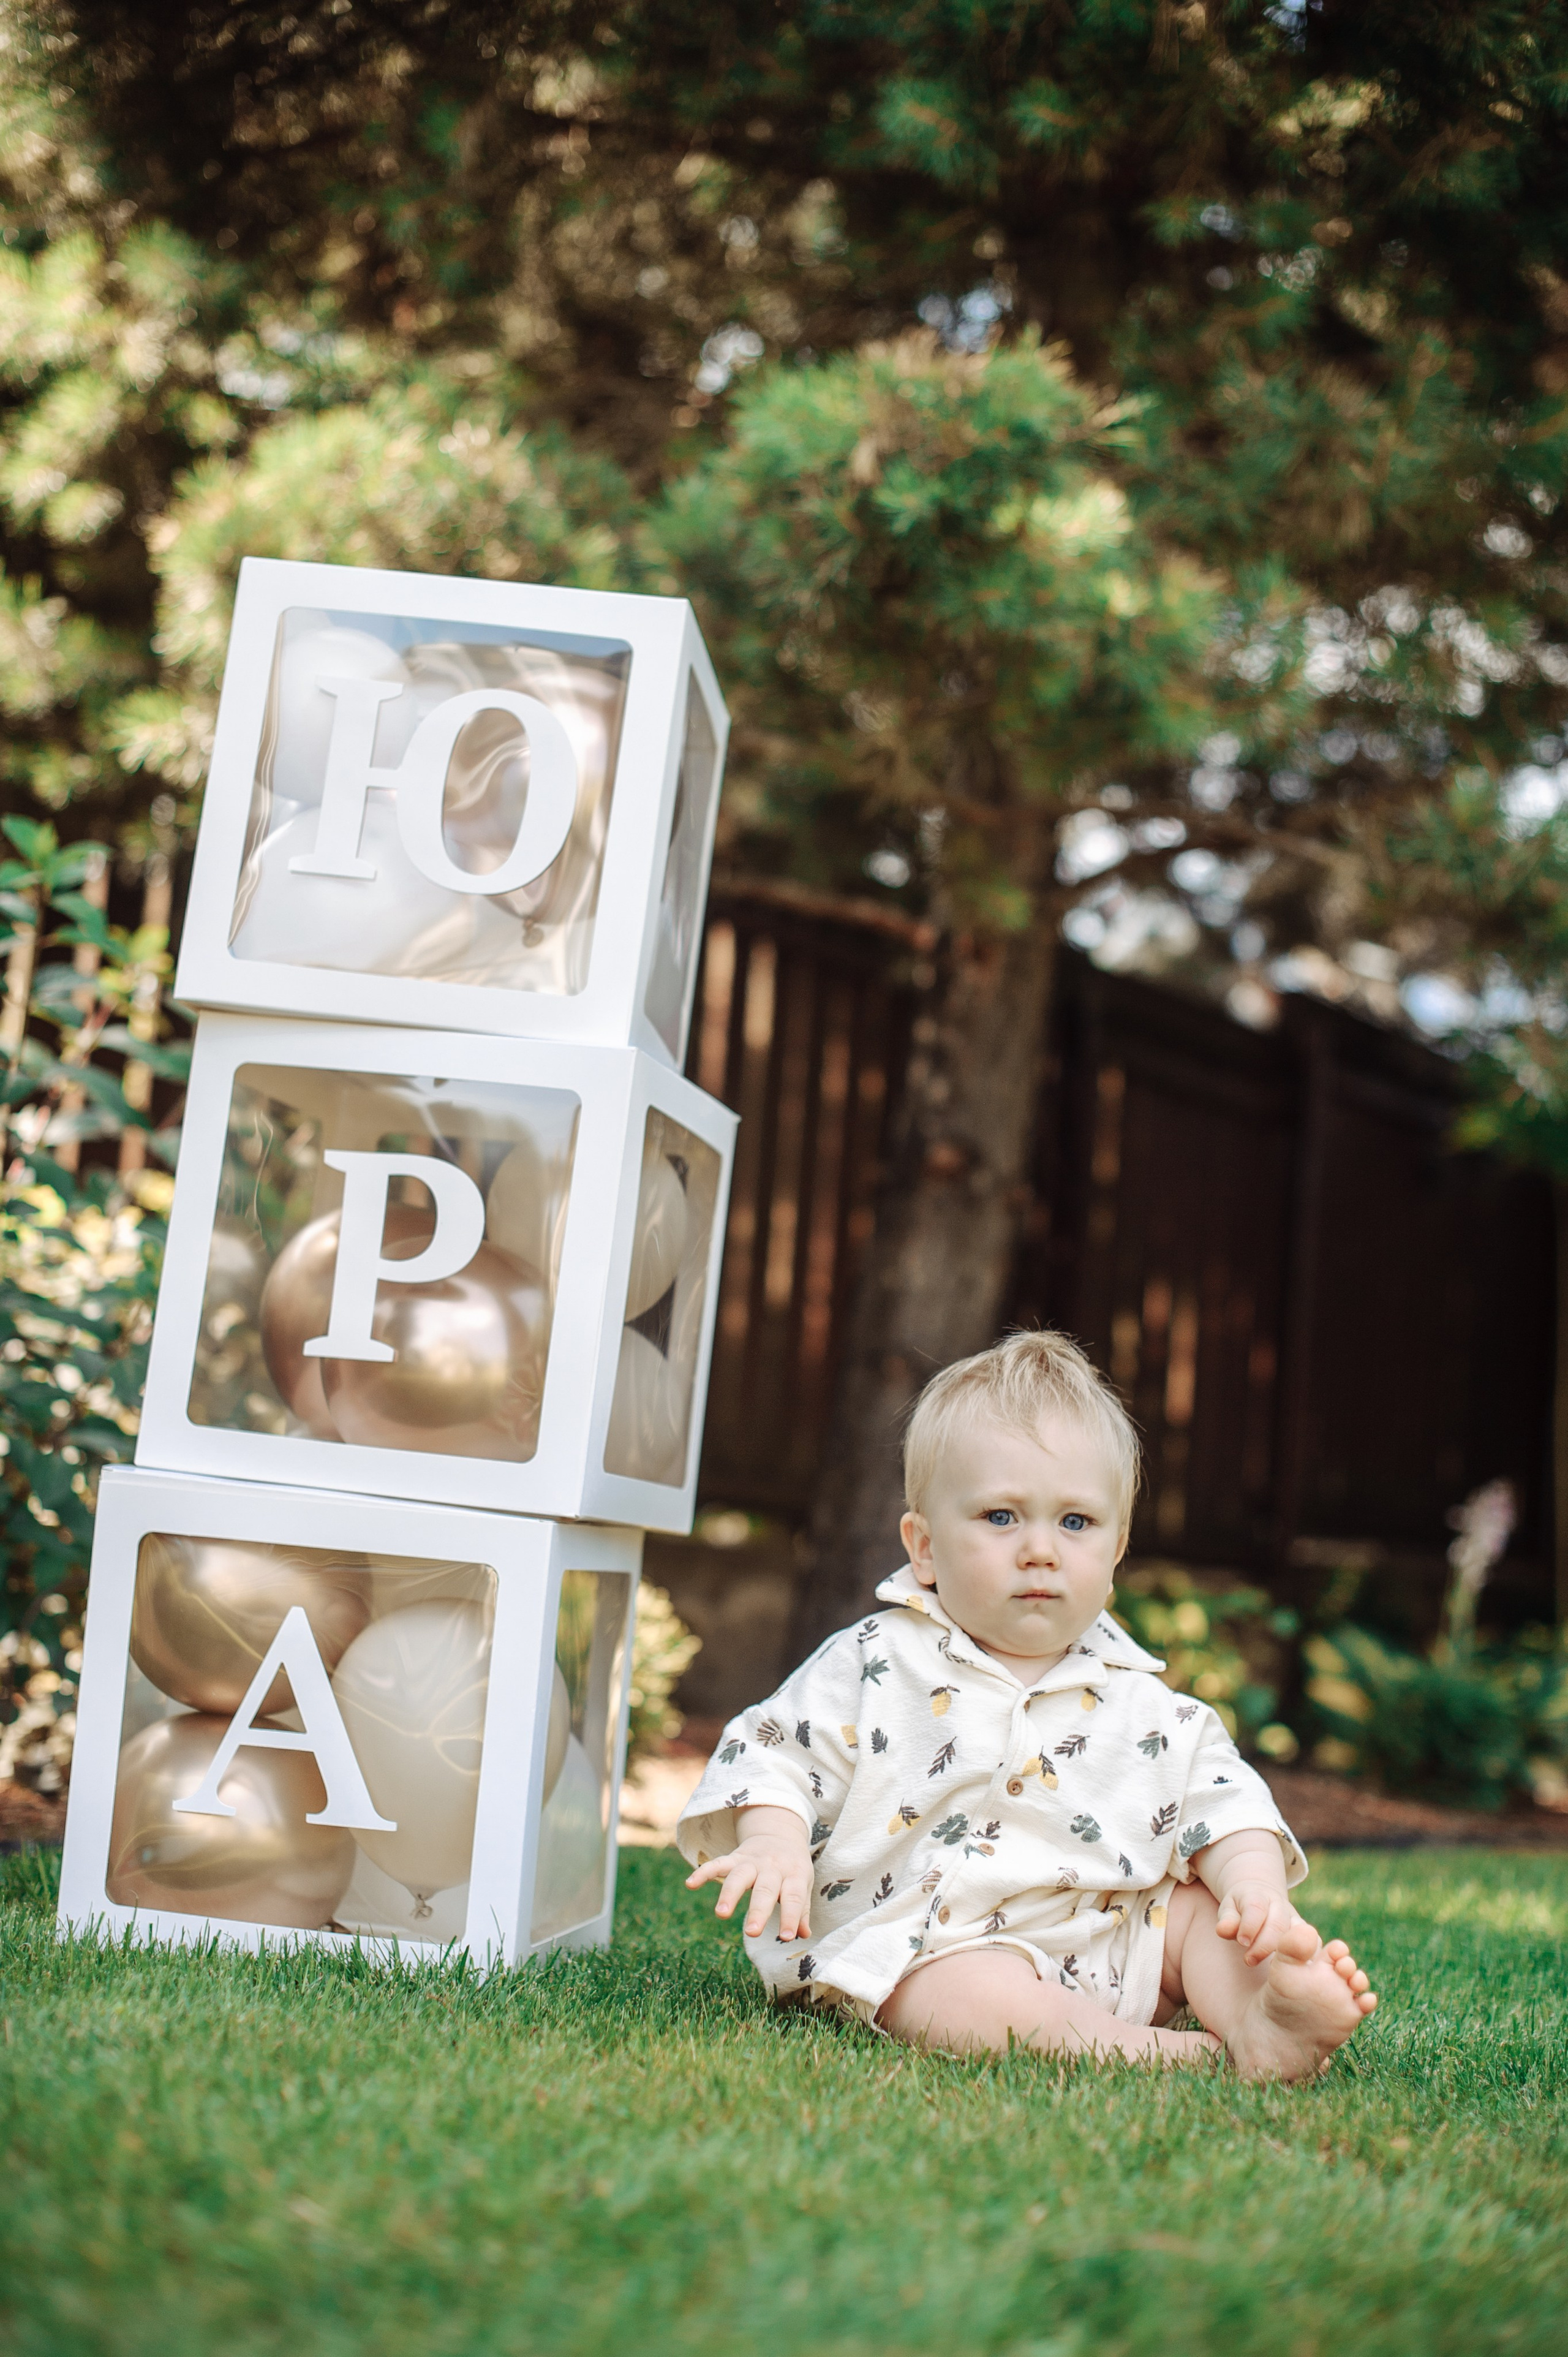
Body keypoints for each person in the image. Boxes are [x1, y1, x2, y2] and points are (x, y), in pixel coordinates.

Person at [679, 1330, 1376, 2079]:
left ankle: (1259, 2018)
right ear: (923, 1547)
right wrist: (775, 1840)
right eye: (1001, 1517)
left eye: (1075, 1522)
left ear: (1114, 1557)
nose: (1040, 1549)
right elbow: (777, 1751)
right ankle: (1163, 2055)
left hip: (1116, 1942)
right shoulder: (875, 1662)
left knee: (1201, 1920)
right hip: (935, 1948)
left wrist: (1256, 1891)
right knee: (961, 1996)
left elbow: (1229, 1804)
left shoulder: (1147, 1704)